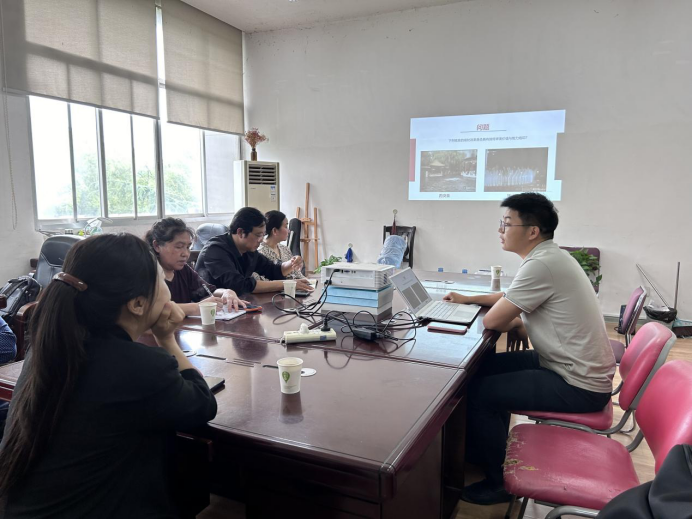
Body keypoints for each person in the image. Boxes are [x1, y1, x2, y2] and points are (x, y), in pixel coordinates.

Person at [0, 234, 218, 518]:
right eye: (160, 281)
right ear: (137, 304)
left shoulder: (53, 348)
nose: (167, 287)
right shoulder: (139, 366)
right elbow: (202, 405)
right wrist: (168, 340)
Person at [444, 193, 615, 506]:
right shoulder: (549, 257)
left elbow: (494, 321)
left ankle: (498, 483)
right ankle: (480, 450)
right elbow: (510, 297)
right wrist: (468, 299)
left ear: (533, 231)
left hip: (578, 383)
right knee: (478, 370)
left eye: (507, 223)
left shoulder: (542, 265)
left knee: (481, 393)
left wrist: (513, 319)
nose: (500, 230)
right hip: (566, 364)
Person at [195, 207, 314, 296]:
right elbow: (240, 286)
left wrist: (292, 263)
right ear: (241, 232)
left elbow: (272, 270)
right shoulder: (215, 250)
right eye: (258, 235)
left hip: (238, 305)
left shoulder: (248, 249)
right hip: (210, 309)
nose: (261, 239)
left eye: (263, 235)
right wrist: (286, 284)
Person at [145, 218, 248, 316]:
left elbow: (207, 291)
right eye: (179, 247)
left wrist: (226, 292)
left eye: (188, 247)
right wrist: (196, 307)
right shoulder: (147, 273)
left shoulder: (183, 270)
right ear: (157, 246)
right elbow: (153, 310)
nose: (186, 254)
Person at [253, 211, 308, 282]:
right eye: (286, 226)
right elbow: (261, 282)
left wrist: (310, 282)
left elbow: (298, 275)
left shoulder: (285, 249)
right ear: (275, 231)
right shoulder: (260, 252)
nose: (289, 231)